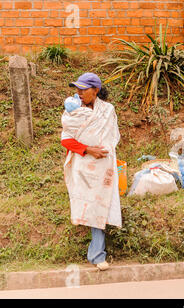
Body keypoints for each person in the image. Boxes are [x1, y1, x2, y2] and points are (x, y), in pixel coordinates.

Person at [61, 72, 122, 271]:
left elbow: (112, 136)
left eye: (83, 89)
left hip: (103, 165)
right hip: (82, 165)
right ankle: (96, 253)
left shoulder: (107, 110)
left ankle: (97, 255)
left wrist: (101, 150)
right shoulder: (73, 111)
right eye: (77, 89)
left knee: (100, 205)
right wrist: (89, 149)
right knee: (86, 204)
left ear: (95, 90)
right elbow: (66, 139)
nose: (79, 93)